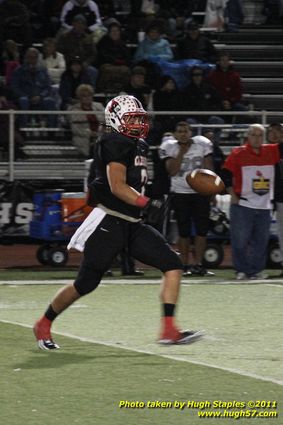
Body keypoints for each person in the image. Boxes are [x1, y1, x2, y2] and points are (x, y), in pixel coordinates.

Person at [33, 94, 203, 350]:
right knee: (86, 283)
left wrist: (148, 202)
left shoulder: (138, 144)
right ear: (115, 119)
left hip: (132, 223)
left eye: (138, 118)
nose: (137, 123)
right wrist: (147, 203)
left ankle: (169, 330)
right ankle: (43, 324)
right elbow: (117, 186)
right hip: (109, 222)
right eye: (131, 118)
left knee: (173, 264)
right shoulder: (114, 141)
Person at [221, 123, 283, 280]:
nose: (257, 138)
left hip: (264, 205)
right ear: (248, 137)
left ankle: (256, 270)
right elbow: (225, 174)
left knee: (261, 241)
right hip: (243, 204)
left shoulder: (272, 151)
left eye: (260, 135)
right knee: (240, 240)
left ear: (264, 137)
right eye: (254, 135)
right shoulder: (238, 153)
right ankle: (241, 270)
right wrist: (231, 194)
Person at [159, 121, 215, 276]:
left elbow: (209, 168)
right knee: (183, 232)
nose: (183, 133)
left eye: (185, 130)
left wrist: (212, 190)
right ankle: (184, 265)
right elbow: (171, 171)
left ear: (190, 132)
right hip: (180, 193)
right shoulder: (169, 147)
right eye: (180, 131)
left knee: (201, 231)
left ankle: (198, 264)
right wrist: (182, 153)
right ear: (175, 134)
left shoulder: (202, 144)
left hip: (200, 193)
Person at [10, 47, 57, 128]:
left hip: (40, 98)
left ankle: (51, 130)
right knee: (23, 100)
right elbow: (15, 88)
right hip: (25, 97)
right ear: (26, 58)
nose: (32, 59)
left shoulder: (43, 70)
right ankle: (23, 128)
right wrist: (28, 96)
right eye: (30, 57)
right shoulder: (18, 71)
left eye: (35, 57)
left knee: (50, 101)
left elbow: (48, 87)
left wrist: (41, 96)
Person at [207, 50, 248, 123]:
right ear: (218, 62)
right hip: (217, 103)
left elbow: (238, 93)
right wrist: (222, 101)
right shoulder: (212, 75)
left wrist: (230, 101)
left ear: (229, 62)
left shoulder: (235, 76)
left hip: (232, 102)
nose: (225, 62)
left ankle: (233, 133)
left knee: (242, 110)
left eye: (226, 60)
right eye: (222, 60)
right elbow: (210, 91)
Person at [68, 83, 104, 157]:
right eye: (84, 96)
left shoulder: (99, 106)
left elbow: (107, 121)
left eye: (89, 95)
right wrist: (90, 133)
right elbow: (76, 129)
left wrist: (101, 132)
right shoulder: (74, 110)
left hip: (101, 136)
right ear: (79, 97)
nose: (88, 98)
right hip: (84, 139)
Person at [267, 123, 283, 276]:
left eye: (278, 131)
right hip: (272, 197)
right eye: (272, 131)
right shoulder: (266, 150)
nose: (275, 134)